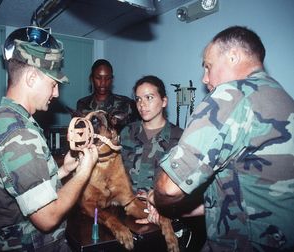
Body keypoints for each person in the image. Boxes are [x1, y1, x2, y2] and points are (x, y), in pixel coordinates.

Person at [149, 26, 294, 251]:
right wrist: (177, 209)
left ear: (233, 57)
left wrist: (156, 198)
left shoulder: (231, 96)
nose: (205, 78)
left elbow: (169, 188)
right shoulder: (283, 99)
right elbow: (242, 195)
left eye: (208, 66)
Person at [0, 26, 98, 251]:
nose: (55, 93)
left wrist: (63, 171)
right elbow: (47, 217)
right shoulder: (18, 132)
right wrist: (84, 172)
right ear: (32, 78)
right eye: (53, 84)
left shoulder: (9, 118)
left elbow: (21, 186)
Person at [120, 75, 203, 250]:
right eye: (138, 99)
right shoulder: (127, 132)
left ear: (164, 101)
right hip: (127, 217)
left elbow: (189, 190)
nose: (142, 104)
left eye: (149, 97)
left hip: (166, 221)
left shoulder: (180, 138)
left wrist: (164, 210)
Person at [76, 59, 138, 131]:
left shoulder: (126, 103)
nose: (103, 83)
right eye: (98, 78)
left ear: (112, 79)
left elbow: (134, 134)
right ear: (91, 79)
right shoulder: (83, 103)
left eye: (107, 78)